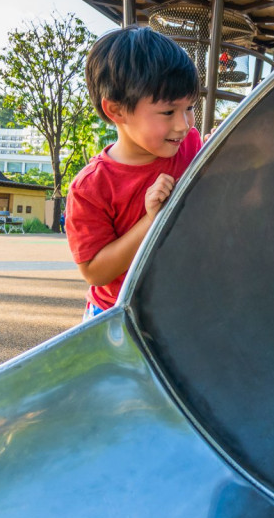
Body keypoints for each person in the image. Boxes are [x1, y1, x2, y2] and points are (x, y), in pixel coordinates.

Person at [66, 27, 202, 320]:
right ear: (117, 111)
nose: (184, 124)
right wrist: (152, 220)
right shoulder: (90, 188)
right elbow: (95, 272)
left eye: (189, 107)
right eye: (168, 112)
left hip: (182, 301)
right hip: (120, 313)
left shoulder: (190, 146)